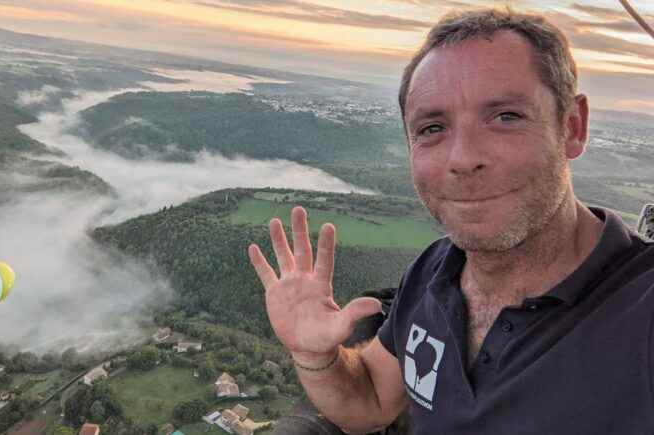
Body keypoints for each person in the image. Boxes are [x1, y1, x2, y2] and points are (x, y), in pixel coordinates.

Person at [248, 8, 654, 435]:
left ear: (572, 126)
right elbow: (370, 401)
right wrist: (318, 358)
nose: (462, 159)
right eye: (432, 128)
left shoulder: (638, 307)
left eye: (506, 117)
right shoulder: (434, 271)